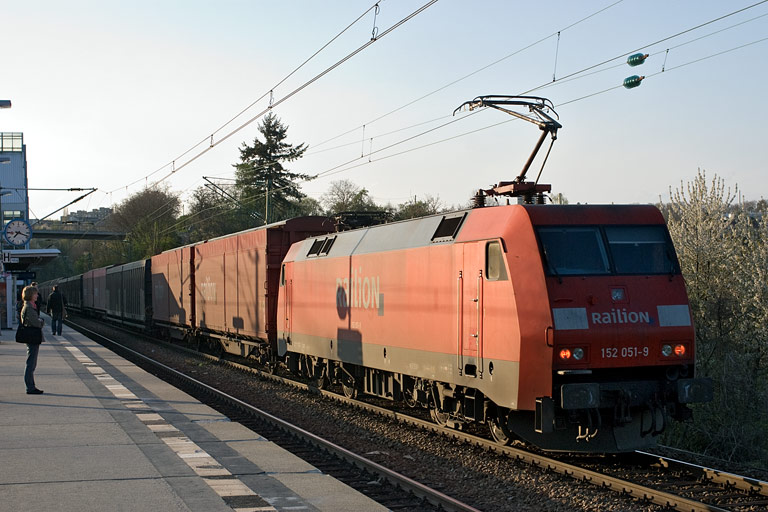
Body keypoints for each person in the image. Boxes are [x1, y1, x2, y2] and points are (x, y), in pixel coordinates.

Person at [20, 285, 45, 394]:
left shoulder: (30, 306)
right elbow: (37, 323)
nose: (37, 295)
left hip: (32, 337)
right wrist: (41, 321)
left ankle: (31, 386)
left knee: (32, 363)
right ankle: (30, 387)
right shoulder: (29, 308)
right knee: (31, 363)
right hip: (32, 337)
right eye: (35, 294)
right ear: (30, 295)